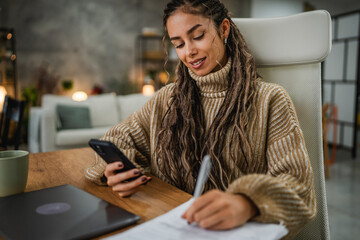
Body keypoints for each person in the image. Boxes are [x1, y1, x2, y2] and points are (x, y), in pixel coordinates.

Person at [85, 0, 316, 238]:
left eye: (197, 36)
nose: (188, 52)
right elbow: (116, 138)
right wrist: (115, 171)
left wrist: (247, 203)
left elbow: (298, 188)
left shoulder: (270, 99)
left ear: (224, 29)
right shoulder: (167, 99)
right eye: (179, 44)